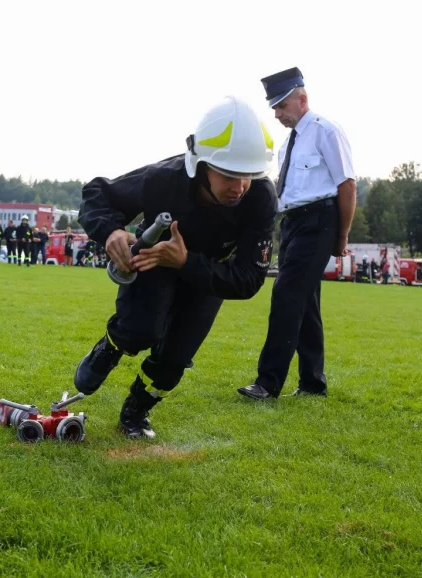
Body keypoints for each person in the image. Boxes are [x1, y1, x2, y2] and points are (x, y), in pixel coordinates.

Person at [73, 95, 276, 439]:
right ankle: (114, 343)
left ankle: (136, 410)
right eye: (229, 174)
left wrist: (186, 261)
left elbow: (248, 279)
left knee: (173, 362)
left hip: (209, 275)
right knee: (141, 330)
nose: (240, 186)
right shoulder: (162, 179)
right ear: (200, 163)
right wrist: (111, 231)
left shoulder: (261, 199)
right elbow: (97, 195)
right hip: (154, 264)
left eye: (249, 175)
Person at [239, 67, 356, 401]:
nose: (276, 114)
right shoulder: (291, 141)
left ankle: (268, 382)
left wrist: (342, 236)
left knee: (287, 296)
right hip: (292, 223)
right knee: (305, 304)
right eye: (274, 107)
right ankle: (312, 383)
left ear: (302, 99)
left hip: (318, 221)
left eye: (282, 106)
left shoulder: (325, 132)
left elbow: (347, 185)